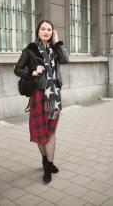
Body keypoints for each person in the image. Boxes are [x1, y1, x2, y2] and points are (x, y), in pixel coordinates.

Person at [14, 20, 69, 183]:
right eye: (43, 29)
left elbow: (65, 60)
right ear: (38, 31)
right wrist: (33, 71)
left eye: (49, 30)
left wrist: (58, 41)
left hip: (54, 96)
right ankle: (46, 162)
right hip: (38, 95)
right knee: (40, 132)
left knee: (51, 131)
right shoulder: (30, 49)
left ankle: (49, 164)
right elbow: (17, 69)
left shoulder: (55, 49)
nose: (46, 31)